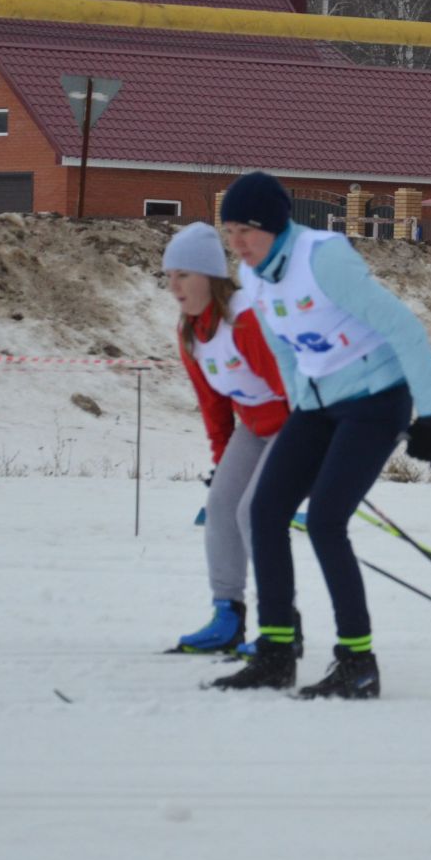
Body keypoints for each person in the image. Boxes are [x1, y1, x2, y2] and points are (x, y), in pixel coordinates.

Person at [208, 172, 431, 700]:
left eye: (245, 230)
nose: (237, 243)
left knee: (324, 522)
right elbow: (286, 350)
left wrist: (430, 416)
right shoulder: (253, 278)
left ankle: (357, 662)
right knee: (264, 511)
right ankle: (275, 653)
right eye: (229, 232)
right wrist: (300, 416)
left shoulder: (323, 259)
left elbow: (405, 328)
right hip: (319, 404)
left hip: (376, 401)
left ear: (272, 226)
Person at [162, 222, 290, 655]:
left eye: (183, 275)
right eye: (169, 275)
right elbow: (214, 410)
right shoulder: (190, 335)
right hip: (253, 428)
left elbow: (292, 388)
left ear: (210, 277)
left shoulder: (245, 320)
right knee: (220, 505)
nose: (174, 285)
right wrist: (221, 465)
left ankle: (282, 626)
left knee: (254, 511)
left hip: (294, 424)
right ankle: (227, 615)